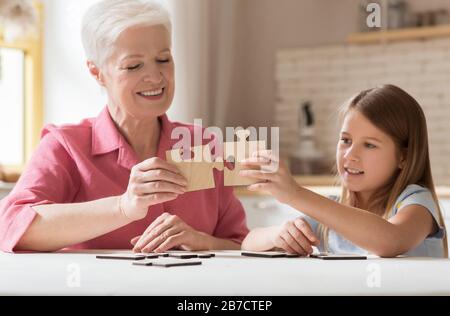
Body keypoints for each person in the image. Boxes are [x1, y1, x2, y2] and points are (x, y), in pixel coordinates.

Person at [0, 0, 248, 253]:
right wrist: (123, 207)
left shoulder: (203, 144)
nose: (155, 76)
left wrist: (201, 242)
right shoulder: (65, 146)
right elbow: (11, 227)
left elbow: (240, 245)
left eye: (163, 59)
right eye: (134, 65)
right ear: (96, 72)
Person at [241, 84, 447, 258]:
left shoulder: (417, 202)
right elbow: (248, 243)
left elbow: (390, 240)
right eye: (346, 140)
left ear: (403, 157)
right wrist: (277, 234)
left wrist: (295, 194)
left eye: (369, 145)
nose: (350, 155)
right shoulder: (330, 211)